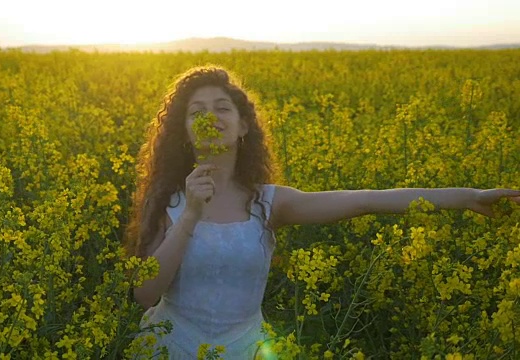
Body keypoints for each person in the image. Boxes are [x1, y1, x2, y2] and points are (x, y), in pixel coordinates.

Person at [123, 65, 520, 359]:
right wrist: (190, 214)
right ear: (185, 132)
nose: (210, 117)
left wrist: (469, 196)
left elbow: (366, 200)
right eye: (196, 112)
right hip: (167, 347)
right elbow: (145, 295)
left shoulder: (268, 203)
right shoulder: (165, 199)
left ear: (244, 126)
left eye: (222, 107)